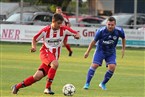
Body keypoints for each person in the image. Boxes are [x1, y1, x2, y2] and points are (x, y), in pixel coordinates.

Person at [11, 13, 80, 95]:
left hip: (53, 57)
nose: (60, 25)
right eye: (58, 23)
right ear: (53, 21)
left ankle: (17, 87)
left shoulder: (64, 29)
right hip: (45, 52)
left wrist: (77, 36)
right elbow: (34, 39)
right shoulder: (45, 30)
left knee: (37, 77)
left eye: (61, 23)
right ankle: (47, 88)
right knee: (55, 64)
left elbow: (77, 33)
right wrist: (34, 47)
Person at [83, 17, 126, 90]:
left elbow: (123, 38)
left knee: (112, 67)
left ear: (115, 25)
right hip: (100, 51)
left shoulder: (119, 31)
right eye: (109, 24)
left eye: (112, 25)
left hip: (111, 52)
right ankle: (87, 83)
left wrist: (123, 49)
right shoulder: (101, 31)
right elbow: (93, 42)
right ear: (106, 24)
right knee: (95, 65)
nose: (110, 26)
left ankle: (103, 83)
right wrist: (87, 52)